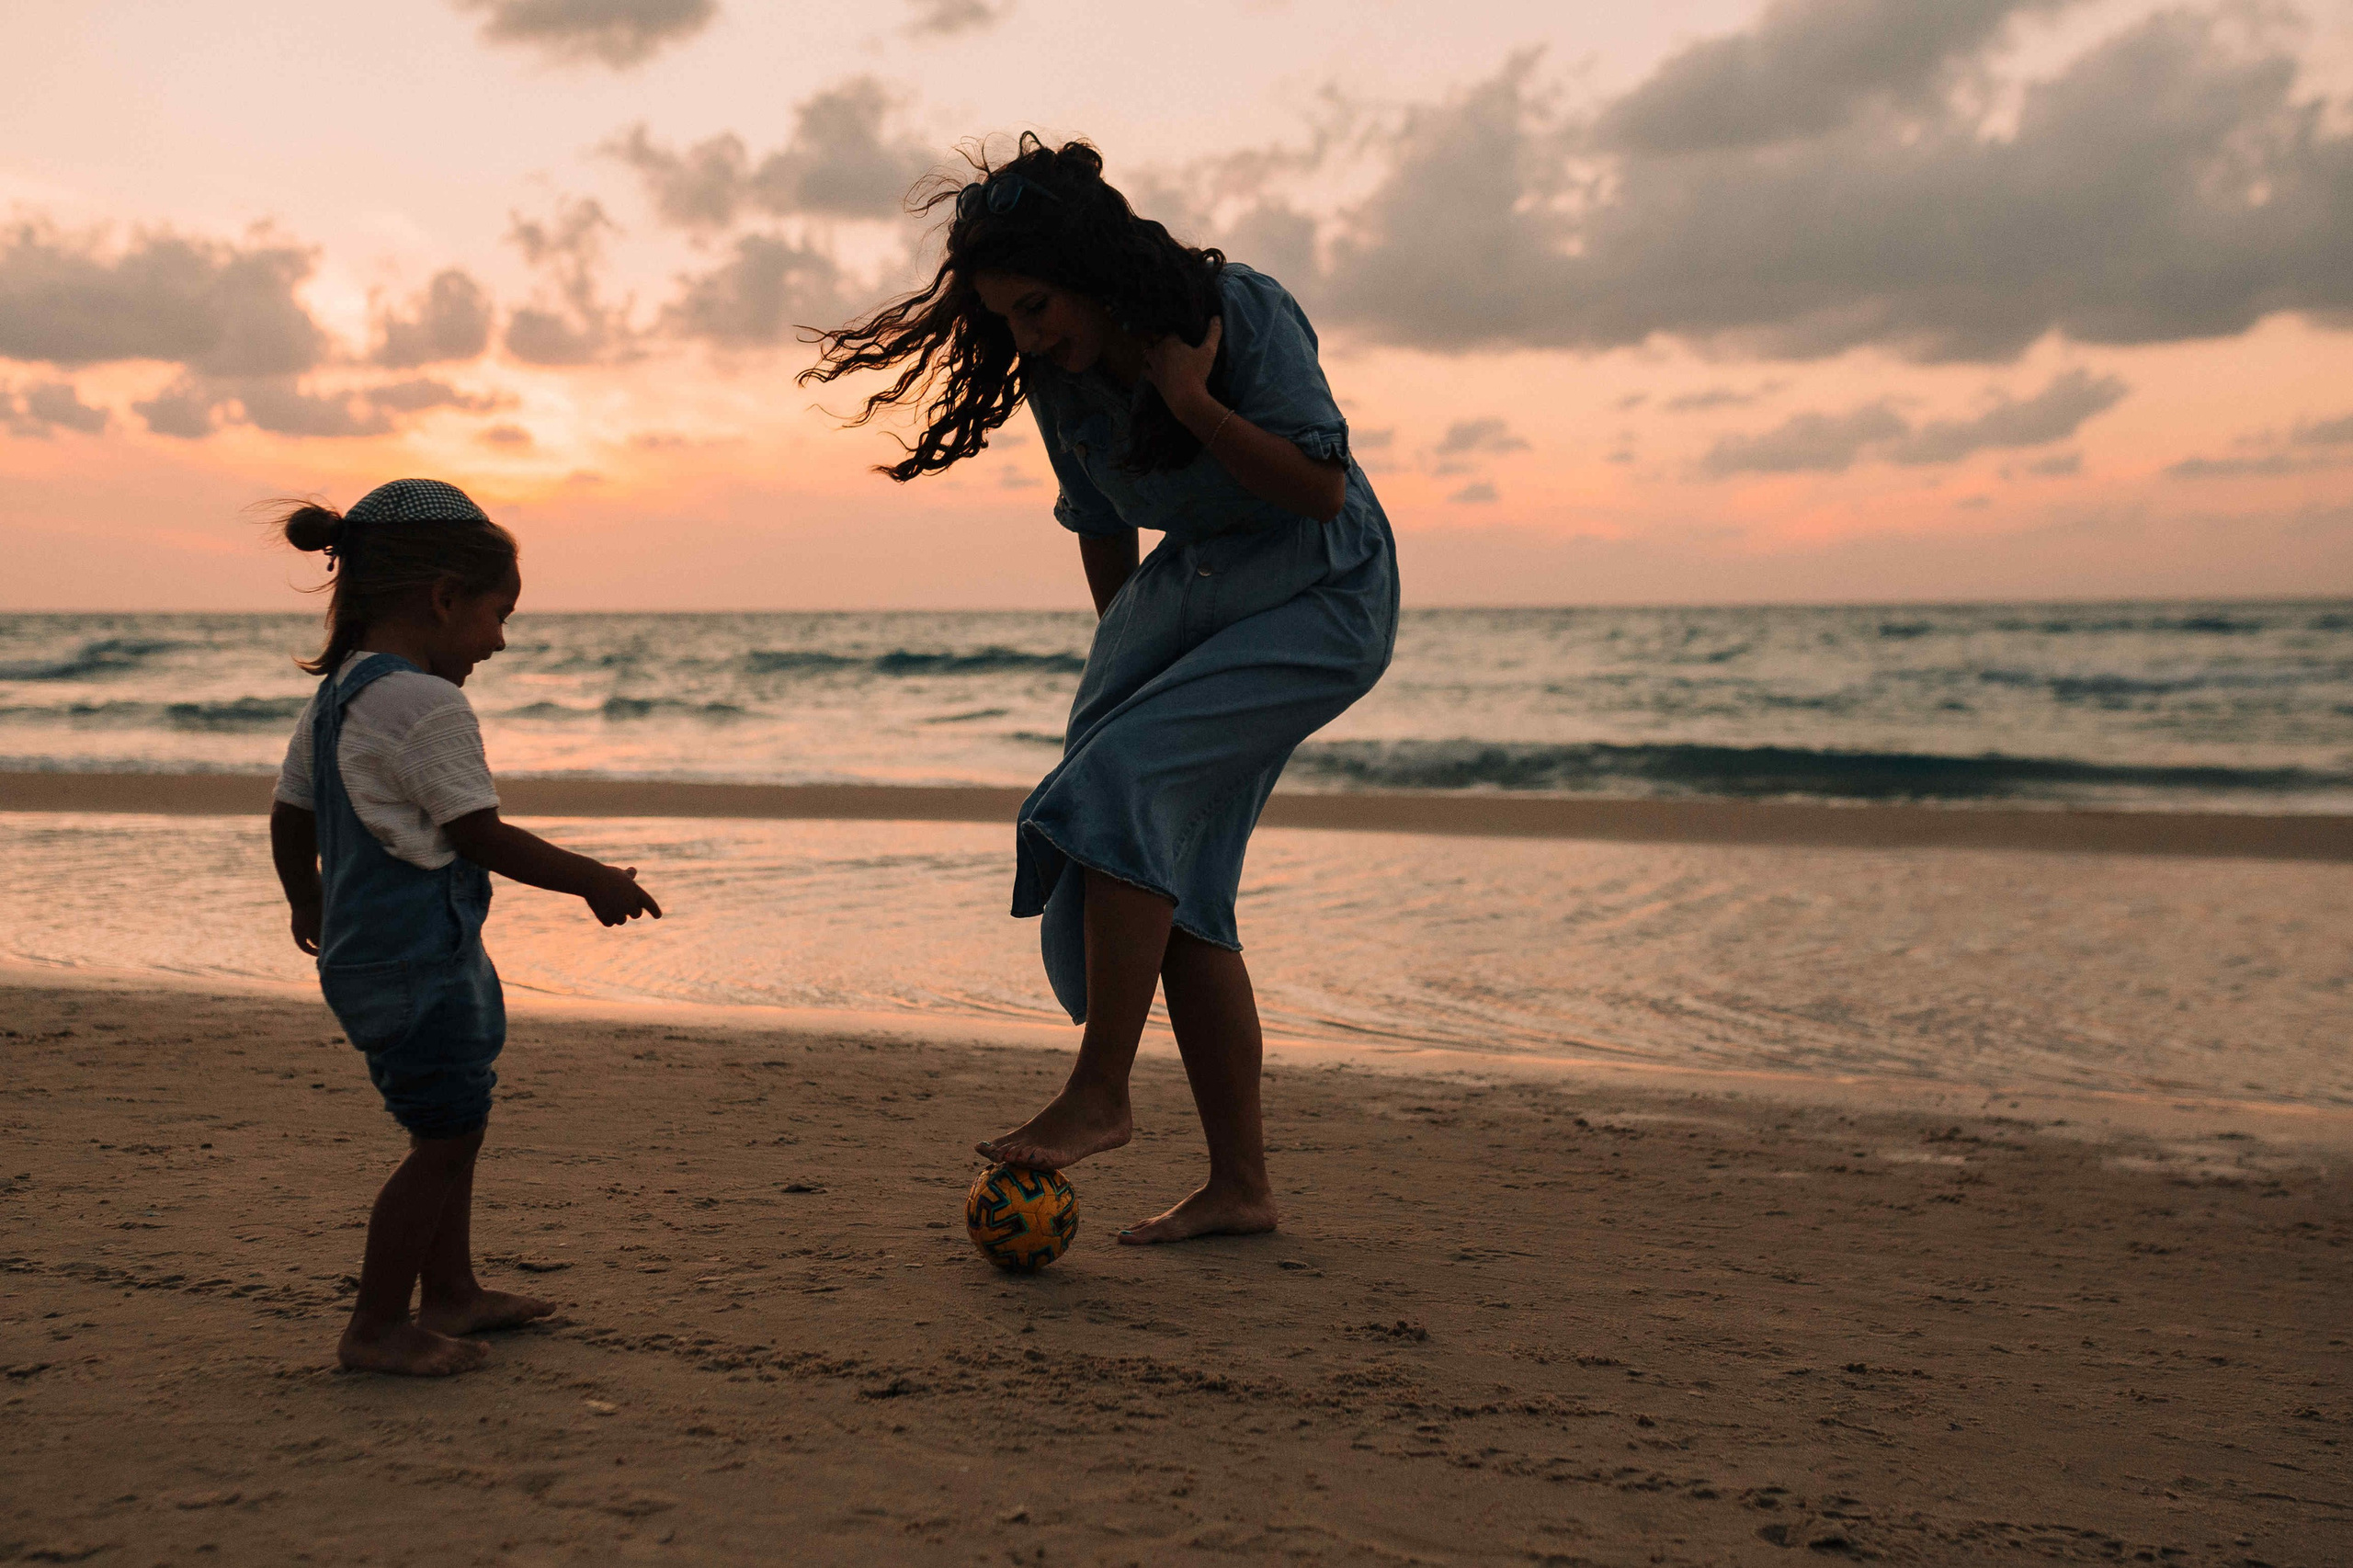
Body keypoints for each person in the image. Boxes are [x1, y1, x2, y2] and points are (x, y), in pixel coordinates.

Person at [804, 137, 1398, 1244]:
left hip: (1320, 589)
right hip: (1191, 594)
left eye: (1036, 307)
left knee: (1116, 787)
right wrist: (1129, 664)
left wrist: (1194, 400)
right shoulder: (1055, 378)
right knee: (1179, 887)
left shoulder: (1240, 313)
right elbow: (1102, 524)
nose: (1028, 339)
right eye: (1008, 320)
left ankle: (1101, 1091)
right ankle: (1241, 1187)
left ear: (1089, 267)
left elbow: (1319, 491)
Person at [267, 479, 662, 1376]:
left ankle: (452, 1291)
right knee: (442, 1139)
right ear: (443, 598)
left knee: (453, 1124)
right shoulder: (423, 703)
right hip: (416, 963)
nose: (500, 639)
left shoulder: (338, 695)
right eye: (496, 613)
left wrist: (305, 897)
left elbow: (291, 809)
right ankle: (376, 1323)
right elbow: (477, 831)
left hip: (379, 956)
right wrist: (593, 880)